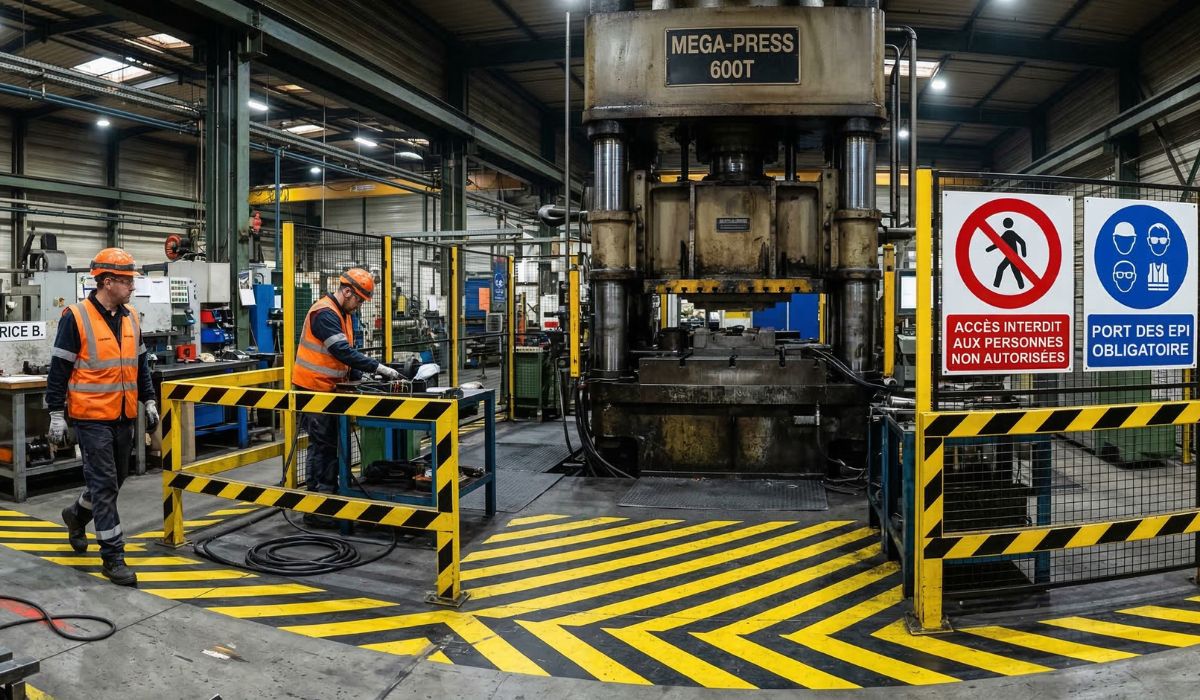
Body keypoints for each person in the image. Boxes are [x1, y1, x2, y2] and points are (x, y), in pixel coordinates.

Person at [48, 248, 158, 587]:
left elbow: (141, 364)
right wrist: (55, 414)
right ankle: (113, 556)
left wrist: (150, 399)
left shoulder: (131, 317)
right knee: (105, 485)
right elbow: (59, 369)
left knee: (117, 478)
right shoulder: (76, 317)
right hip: (91, 418)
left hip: (123, 415)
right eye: (127, 281)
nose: (132, 287)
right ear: (107, 282)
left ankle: (77, 514)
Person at [292, 268, 401, 506]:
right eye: (359, 300)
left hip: (329, 388)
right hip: (314, 388)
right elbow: (341, 351)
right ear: (347, 291)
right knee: (325, 445)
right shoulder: (324, 313)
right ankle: (323, 502)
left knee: (323, 443)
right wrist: (379, 368)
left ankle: (319, 494)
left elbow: (347, 355)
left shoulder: (343, 313)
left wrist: (359, 380)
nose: (360, 305)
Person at [987, 217, 1028, 289]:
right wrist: (1023, 254)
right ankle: (1021, 286)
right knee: (1015, 271)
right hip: (1013, 256)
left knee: (1001, 268)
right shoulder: (1012, 233)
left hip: (1010, 256)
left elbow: (998, 244)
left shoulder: (1006, 234)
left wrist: (989, 249)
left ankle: (996, 285)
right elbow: (1022, 242)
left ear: (1004, 225)